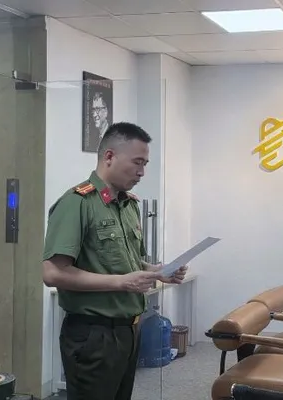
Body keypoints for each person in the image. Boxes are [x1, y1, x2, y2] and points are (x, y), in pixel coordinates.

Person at [42, 122, 187, 400]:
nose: (142, 172)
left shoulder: (128, 204)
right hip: (94, 334)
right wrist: (122, 282)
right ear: (109, 156)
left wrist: (156, 271)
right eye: (137, 162)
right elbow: (52, 273)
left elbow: (127, 260)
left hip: (128, 330)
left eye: (145, 164)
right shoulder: (77, 203)